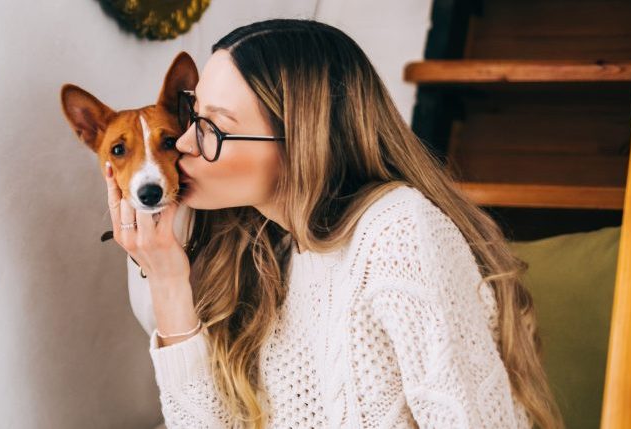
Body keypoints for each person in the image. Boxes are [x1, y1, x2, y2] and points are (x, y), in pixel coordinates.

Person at [104, 18, 564, 429]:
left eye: (212, 126)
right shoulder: (262, 248)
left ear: (300, 141)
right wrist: (166, 277)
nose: (183, 142)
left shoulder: (398, 233)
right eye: (193, 111)